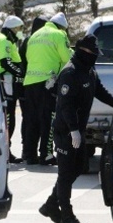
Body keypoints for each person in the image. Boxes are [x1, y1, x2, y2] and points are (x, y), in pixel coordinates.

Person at [38, 35, 113, 223]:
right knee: (65, 175)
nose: (94, 57)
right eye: (92, 53)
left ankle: (50, 204)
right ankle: (67, 217)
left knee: (78, 168)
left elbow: (99, 90)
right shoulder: (70, 73)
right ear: (83, 51)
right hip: (66, 130)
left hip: (79, 130)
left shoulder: (89, 70)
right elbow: (66, 106)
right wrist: (73, 130)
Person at [23, 12, 73, 165]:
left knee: (32, 120)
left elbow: (28, 58)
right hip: (47, 83)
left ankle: (30, 155)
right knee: (48, 120)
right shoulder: (59, 34)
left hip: (29, 82)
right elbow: (67, 58)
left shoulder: (35, 35)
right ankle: (46, 154)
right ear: (62, 27)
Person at [0, 15, 25, 164]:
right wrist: (20, 73)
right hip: (6, 82)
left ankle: (7, 150)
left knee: (10, 117)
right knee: (8, 118)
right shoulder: (3, 41)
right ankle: (6, 151)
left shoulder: (6, 41)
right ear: (11, 29)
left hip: (9, 82)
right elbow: (5, 62)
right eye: (18, 29)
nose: (20, 32)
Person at [17, 15, 49, 161]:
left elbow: (21, 62)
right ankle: (42, 153)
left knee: (29, 120)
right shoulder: (42, 40)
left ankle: (28, 153)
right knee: (42, 119)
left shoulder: (27, 41)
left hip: (27, 84)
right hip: (41, 84)